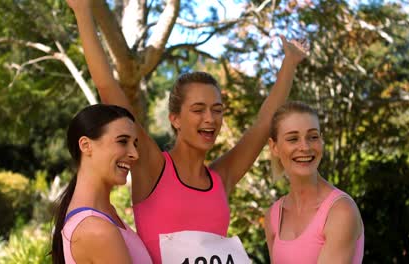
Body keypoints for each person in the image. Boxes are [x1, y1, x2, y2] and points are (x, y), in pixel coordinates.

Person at [66, 0, 308, 262]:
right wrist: (82, 11)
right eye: (198, 109)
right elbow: (107, 87)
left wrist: (290, 62)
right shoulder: (153, 167)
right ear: (175, 119)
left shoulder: (221, 178)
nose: (210, 119)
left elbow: (263, 124)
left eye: (217, 109)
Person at [264, 101, 364, 263]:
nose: (305, 147)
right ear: (274, 147)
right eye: (293, 139)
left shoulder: (341, 211)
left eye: (313, 137)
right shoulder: (273, 216)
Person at [51, 104, 152, 264]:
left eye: (135, 144)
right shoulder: (97, 230)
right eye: (122, 141)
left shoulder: (103, 217)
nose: (135, 154)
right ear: (86, 145)